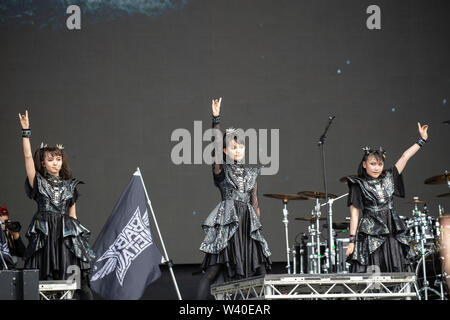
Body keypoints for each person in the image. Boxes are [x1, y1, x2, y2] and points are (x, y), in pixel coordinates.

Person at [196, 98, 271, 300]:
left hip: (247, 225)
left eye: (240, 147)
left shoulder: (252, 172)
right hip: (228, 223)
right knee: (213, 271)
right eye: (233, 147)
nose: (237, 150)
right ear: (225, 151)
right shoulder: (221, 170)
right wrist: (216, 118)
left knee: (260, 271)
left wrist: (257, 228)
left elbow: (254, 200)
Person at [18, 110, 96, 299]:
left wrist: (79, 244)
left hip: (64, 234)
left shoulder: (70, 186)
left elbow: (73, 216)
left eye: (58, 159)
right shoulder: (38, 181)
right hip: (45, 232)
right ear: (43, 163)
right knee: (42, 280)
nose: (55, 163)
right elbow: (28, 158)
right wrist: (26, 131)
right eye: (51, 159)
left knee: (74, 281)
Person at [345, 122, 429, 273]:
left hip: (391, 229)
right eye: (372, 164)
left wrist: (421, 140)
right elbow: (354, 215)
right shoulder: (357, 184)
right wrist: (351, 241)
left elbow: (405, 156)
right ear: (364, 164)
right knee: (374, 271)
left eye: (380, 164)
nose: (377, 167)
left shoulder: (389, 176)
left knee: (395, 268)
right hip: (371, 232)